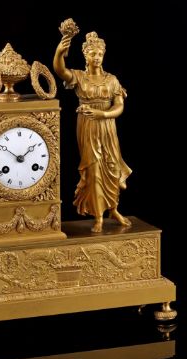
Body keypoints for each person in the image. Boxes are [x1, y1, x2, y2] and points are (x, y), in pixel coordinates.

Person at [53, 31, 132, 233]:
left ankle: (113, 210)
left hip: (107, 126)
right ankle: (98, 216)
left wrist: (103, 114)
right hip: (88, 125)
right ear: (85, 55)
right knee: (94, 169)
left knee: (112, 168)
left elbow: (119, 106)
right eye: (92, 54)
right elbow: (60, 70)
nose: (96, 57)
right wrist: (59, 52)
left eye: (99, 54)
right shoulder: (79, 77)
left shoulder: (112, 79)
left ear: (103, 55)